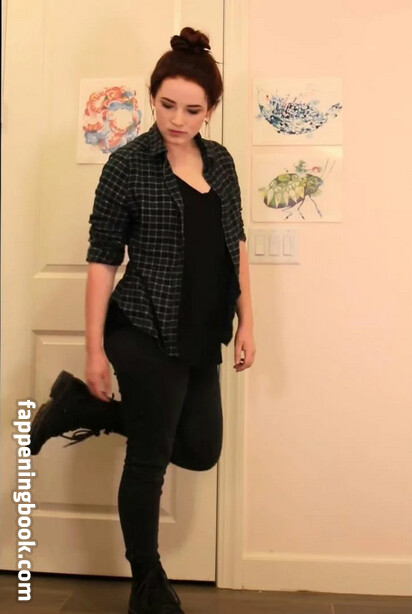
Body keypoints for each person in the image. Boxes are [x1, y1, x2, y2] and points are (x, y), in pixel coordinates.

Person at [29, 26, 255, 614]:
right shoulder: (127, 166)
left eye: (192, 110)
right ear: (152, 97)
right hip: (144, 327)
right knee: (150, 458)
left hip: (202, 331)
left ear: (212, 109)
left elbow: (235, 245)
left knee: (200, 448)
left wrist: (248, 322)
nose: (177, 120)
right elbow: (103, 260)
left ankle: (82, 410)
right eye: (166, 104)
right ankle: (147, 583)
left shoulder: (221, 163)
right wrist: (94, 350)